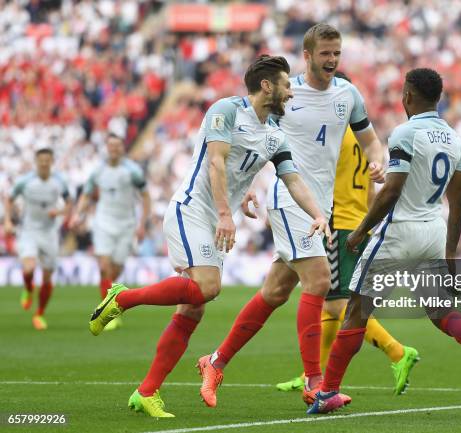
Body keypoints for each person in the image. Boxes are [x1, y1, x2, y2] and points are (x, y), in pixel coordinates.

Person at [87, 54, 331, 418]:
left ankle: (146, 392)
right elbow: (216, 161)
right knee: (208, 287)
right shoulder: (226, 110)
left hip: (216, 217)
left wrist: (316, 214)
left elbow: (292, 178)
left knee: (193, 309)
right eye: (286, 83)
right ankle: (124, 298)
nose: (291, 90)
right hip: (192, 209)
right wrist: (223, 214)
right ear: (267, 86)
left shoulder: (275, 132)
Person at [308, 68, 461, 414]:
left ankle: (328, 391)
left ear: (408, 96)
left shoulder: (405, 133)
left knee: (355, 314)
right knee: (440, 312)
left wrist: (362, 230)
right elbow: (459, 202)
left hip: (398, 234)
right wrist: (450, 251)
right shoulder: (454, 139)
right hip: (433, 232)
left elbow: (391, 190)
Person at [198, 23, 385, 408]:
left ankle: (215, 361)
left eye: (337, 53)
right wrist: (244, 182)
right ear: (307, 55)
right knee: (318, 280)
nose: (332, 60)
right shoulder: (286, 94)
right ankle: (314, 382)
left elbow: (370, 141)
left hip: (321, 207)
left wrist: (379, 161)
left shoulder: (348, 95)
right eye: (325, 54)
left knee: (276, 291)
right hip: (289, 200)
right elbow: (249, 137)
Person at [276, 71, 419, 396]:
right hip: (356, 221)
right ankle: (314, 375)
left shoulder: (331, 135)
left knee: (338, 305)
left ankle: (397, 351)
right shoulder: (362, 138)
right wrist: (366, 224)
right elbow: (371, 184)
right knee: (330, 303)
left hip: (337, 221)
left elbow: (319, 174)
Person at [72, 133, 151, 330]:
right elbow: (87, 195)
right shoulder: (98, 171)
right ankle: (106, 313)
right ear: (106, 148)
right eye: (111, 146)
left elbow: (146, 197)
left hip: (126, 224)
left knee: (115, 270)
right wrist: (77, 215)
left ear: (122, 148)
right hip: (103, 222)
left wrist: (142, 224)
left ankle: (111, 301)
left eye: (117, 146)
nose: (114, 149)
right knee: (103, 267)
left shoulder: (132, 171)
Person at [3, 147, 72, 330]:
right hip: (29, 231)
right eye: (41, 160)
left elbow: (69, 204)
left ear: (52, 161)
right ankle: (28, 288)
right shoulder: (26, 181)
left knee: (48, 277)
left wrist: (58, 212)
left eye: (47, 160)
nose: (44, 163)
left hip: (50, 233)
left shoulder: (59, 181)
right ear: (36, 161)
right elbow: (9, 198)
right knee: (29, 268)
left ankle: (39, 313)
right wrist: (8, 221)